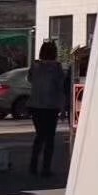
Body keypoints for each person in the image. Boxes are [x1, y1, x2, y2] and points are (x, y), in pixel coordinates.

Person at [27, 41, 69, 177]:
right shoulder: (56, 67)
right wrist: (63, 108)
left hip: (35, 105)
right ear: (54, 53)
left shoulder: (35, 66)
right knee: (49, 138)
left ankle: (33, 165)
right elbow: (60, 88)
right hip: (51, 106)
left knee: (40, 135)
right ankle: (46, 168)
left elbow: (30, 79)